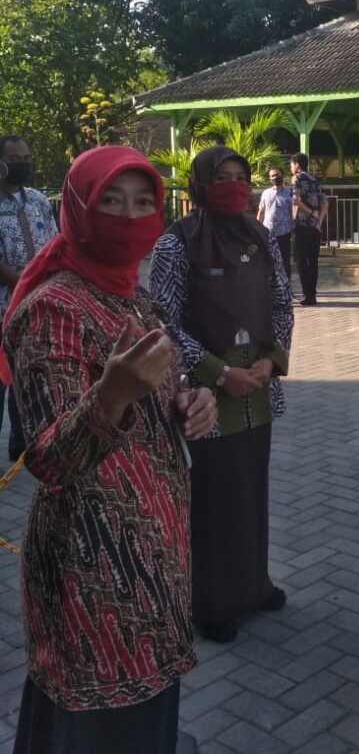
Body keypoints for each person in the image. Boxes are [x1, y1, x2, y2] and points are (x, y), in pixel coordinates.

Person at [0, 146, 217, 754]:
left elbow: (166, 391)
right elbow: (47, 459)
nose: (130, 218)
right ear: (77, 209)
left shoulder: (135, 298)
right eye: (111, 202)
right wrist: (111, 395)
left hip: (155, 547)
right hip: (89, 564)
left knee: (146, 716)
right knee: (92, 723)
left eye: (144, 203)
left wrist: (190, 402)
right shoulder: (51, 310)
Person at [149, 145, 293, 644]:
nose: (234, 185)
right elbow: (162, 321)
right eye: (222, 177)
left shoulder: (261, 236)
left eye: (240, 176)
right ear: (200, 185)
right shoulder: (177, 243)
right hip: (204, 396)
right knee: (212, 498)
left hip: (257, 387)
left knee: (251, 489)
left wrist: (272, 360)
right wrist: (216, 372)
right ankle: (210, 602)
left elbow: (282, 303)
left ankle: (254, 584)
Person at [0, 135, 58, 460]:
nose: (22, 163)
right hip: (4, 309)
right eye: (14, 158)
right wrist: (26, 283)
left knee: (28, 379)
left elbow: (55, 242)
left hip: (37, 308)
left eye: (26, 157)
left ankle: (23, 453)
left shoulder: (37, 199)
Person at [290, 152, 328, 307]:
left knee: (300, 260)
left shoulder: (297, 178)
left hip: (302, 224)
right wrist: (319, 220)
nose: (291, 168)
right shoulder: (314, 179)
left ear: (297, 165)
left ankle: (307, 294)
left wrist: (310, 212)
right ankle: (312, 294)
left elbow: (296, 200)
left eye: (292, 164)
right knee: (313, 260)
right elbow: (325, 203)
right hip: (314, 227)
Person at [257, 165, 293, 277]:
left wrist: (293, 231)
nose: (274, 177)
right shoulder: (266, 193)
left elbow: (293, 212)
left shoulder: (290, 192)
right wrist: (257, 229)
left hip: (284, 233)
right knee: (268, 261)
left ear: (282, 175)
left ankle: (286, 285)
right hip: (268, 232)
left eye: (277, 175)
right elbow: (261, 212)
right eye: (272, 176)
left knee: (284, 261)